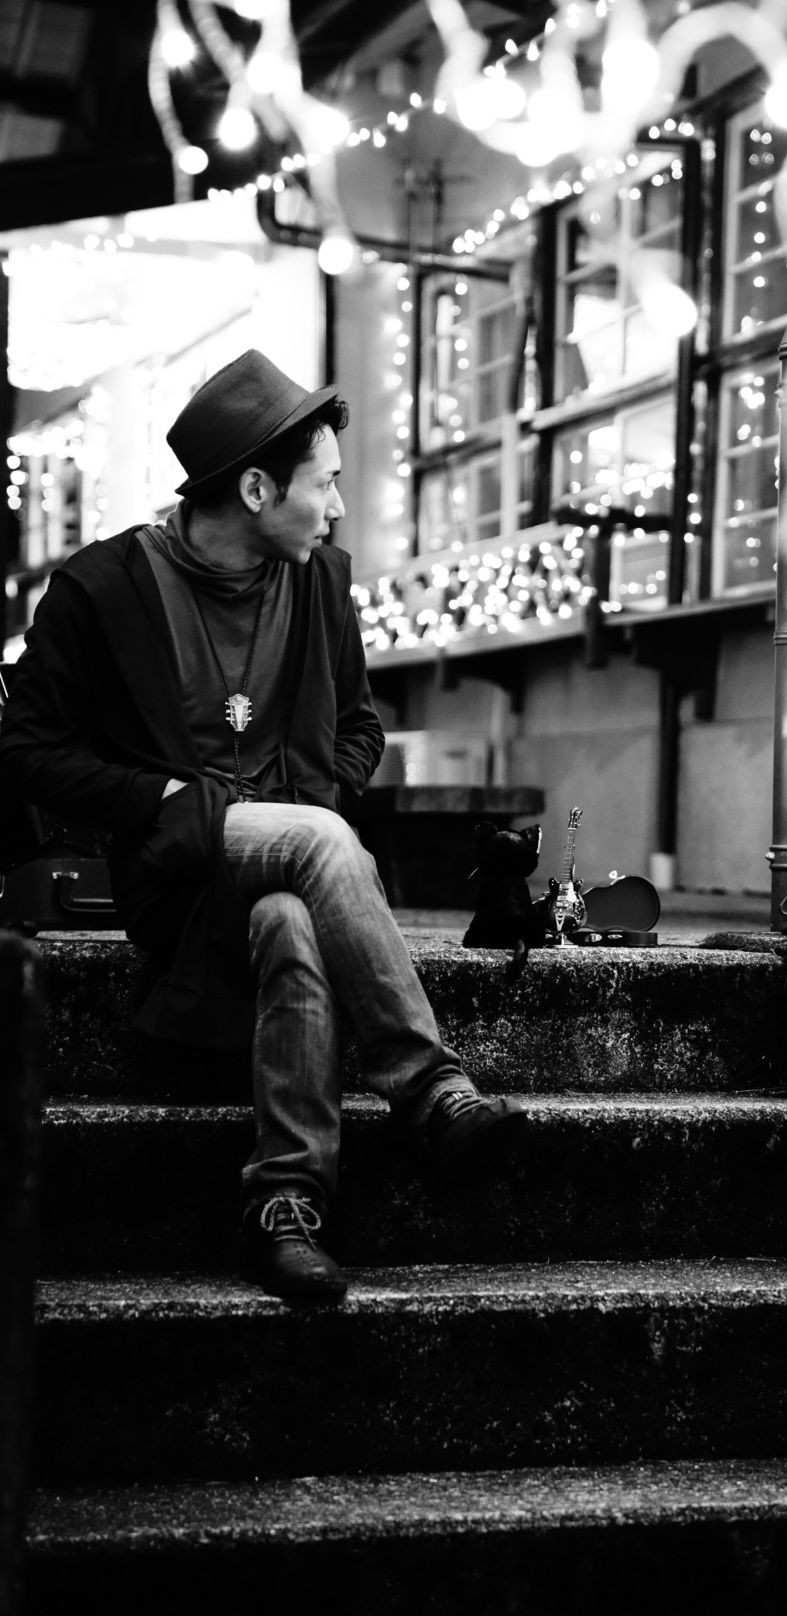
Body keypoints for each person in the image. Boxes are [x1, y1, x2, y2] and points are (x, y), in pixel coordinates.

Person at [0, 348, 528, 1302]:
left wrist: (315, 789)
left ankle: (286, 1206)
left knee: (291, 915)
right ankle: (429, 1089)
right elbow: (25, 748)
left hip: (291, 873)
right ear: (254, 489)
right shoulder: (102, 588)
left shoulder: (321, 582)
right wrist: (158, 798)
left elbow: (360, 728)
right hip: (176, 868)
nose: (336, 507)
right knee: (322, 842)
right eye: (323, 484)